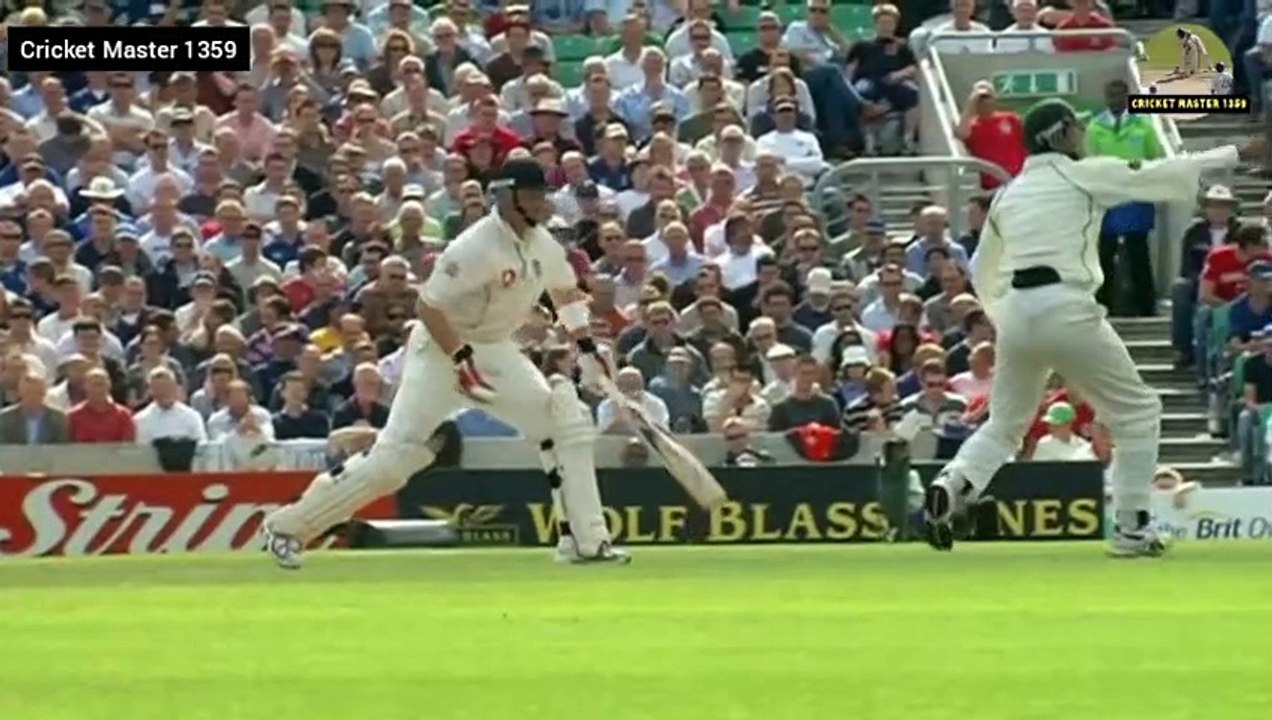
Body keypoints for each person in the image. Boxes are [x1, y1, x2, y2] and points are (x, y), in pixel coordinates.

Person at [923, 97, 1262, 558]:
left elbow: (983, 269)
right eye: (1075, 127)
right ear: (1059, 134)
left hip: (1018, 313)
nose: (1081, 134)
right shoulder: (1083, 174)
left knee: (1005, 425)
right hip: (1067, 305)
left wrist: (1010, 322)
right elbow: (1158, 173)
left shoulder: (1008, 194)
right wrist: (1239, 151)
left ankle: (953, 482)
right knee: (1138, 413)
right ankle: (1130, 528)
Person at [263, 159, 630, 568]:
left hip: (494, 349)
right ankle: (286, 528)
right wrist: (460, 358)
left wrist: (587, 349)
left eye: (542, 195)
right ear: (505, 197)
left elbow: (565, 293)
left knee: (566, 423)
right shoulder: (475, 247)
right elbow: (428, 305)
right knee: (393, 463)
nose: (541, 204)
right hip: (439, 352)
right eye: (531, 195)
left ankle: (585, 541)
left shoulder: (543, 243)